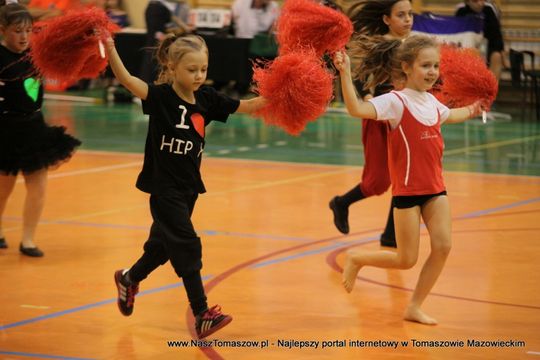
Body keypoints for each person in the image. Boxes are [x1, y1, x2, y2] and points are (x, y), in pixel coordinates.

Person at [105, 33, 267, 338]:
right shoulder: (161, 97)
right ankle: (202, 313)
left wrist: (287, 89)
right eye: (192, 70)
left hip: (189, 189)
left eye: (203, 69)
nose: (199, 76)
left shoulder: (207, 99)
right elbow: (127, 79)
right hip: (163, 190)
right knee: (188, 245)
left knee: (160, 250)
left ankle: (128, 278)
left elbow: (250, 106)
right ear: (172, 66)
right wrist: (111, 48)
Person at [333, 34, 482, 325]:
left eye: (436, 66)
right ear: (406, 67)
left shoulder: (433, 103)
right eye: (425, 65)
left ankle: (414, 306)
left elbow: (453, 114)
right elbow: (356, 110)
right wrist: (345, 73)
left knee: (443, 247)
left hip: (436, 190)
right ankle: (357, 259)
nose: (432, 72)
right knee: (405, 259)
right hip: (407, 193)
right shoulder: (395, 102)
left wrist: (477, 109)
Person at [329, 0, 413, 248]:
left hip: (407, 120)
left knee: (404, 178)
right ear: (387, 19)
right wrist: (367, 96)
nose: (408, 19)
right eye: (401, 15)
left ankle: (390, 235)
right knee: (378, 182)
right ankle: (342, 203)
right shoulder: (381, 45)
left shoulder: (415, 45)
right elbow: (359, 79)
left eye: (410, 14)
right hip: (380, 119)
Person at [0, 3, 81, 257]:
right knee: (4, 187)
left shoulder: (36, 53)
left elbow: (67, 54)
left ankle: (28, 240)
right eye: (17, 31)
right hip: (5, 129)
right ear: (3, 30)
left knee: (38, 185)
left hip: (34, 127)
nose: (24, 37)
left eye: (28, 30)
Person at [455, 0, 504, 81]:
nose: (480, 3)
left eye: (482, 0)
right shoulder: (461, 11)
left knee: (496, 56)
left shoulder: (489, 10)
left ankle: (492, 89)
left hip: (487, 46)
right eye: (475, 1)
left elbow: (496, 34)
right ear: (467, 2)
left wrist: (500, 51)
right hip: (467, 47)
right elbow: (457, 35)